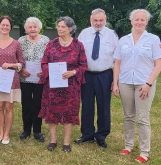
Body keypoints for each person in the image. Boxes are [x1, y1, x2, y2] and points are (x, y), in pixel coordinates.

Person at [112, 9, 161, 164]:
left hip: (143, 83)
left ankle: (144, 152)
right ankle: (128, 145)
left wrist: (148, 83)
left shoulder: (153, 40)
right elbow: (117, 63)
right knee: (128, 116)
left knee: (142, 118)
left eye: (142, 20)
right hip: (125, 82)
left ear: (146, 22)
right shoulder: (123, 40)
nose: (139, 22)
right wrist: (115, 83)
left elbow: (158, 64)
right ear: (131, 21)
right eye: (136, 19)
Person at [38, 16, 87, 153]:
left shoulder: (78, 45)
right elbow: (44, 62)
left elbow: (83, 65)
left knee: (69, 114)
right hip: (53, 86)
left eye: (63, 27)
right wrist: (50, 71)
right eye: (58, 26)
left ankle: (66, 143)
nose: (59, 29)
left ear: (70, 29)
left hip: (71, 87)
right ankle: (53, 141)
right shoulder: (51, 44)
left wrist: (73, 72)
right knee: (52, 113)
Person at [75, 9, 118, 148]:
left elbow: (118, 59)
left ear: (105, 20)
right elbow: (77, 53)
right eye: (95, 20)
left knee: (103, 106)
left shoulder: (112, 35)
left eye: (101, 20)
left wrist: (115, 81)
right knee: (86, 104)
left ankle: (101, 135)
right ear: (90, 20)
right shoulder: (84, 34)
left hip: (105, 74)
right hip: (86, 74)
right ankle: (87, 134)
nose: (98, 23)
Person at [0, 16, 25, 145]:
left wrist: (11, 65)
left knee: (9, 107)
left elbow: (21, 63)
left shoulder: (16, 44)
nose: (5, 27)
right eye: (2, 25)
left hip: (11, 80)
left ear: (11, 27)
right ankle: (0, 132)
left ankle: (7, 134)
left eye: (7, 25)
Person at [18, 17, 50, 142]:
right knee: (26, 105)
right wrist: (21, 70)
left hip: (39, 79)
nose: (32, 29)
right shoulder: (20, 41)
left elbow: (50, 58)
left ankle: (37, 131)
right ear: (26, 29)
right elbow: (17, 58)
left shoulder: (46, 40)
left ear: (39, 28)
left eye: (35, 27)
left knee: (38, 105)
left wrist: (45, 70)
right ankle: (26, 130)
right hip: (24, 78)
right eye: (30, 27)